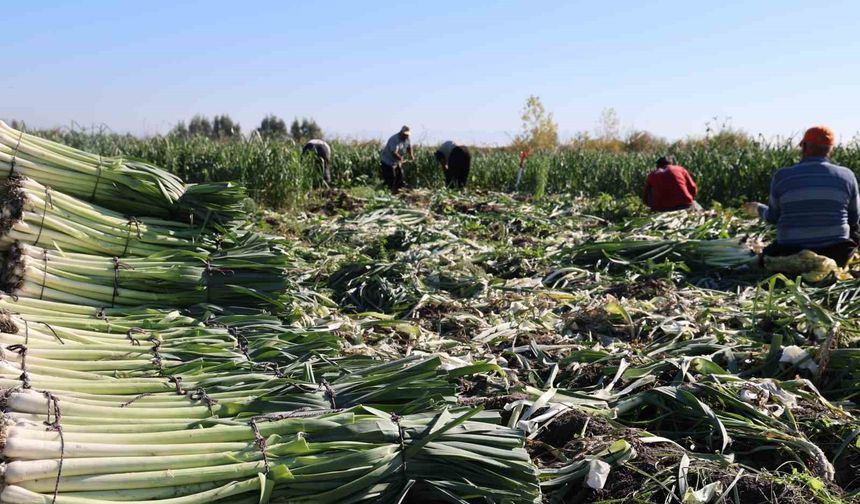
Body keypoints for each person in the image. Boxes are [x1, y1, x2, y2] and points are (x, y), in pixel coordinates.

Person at [744, 126, 860, 267]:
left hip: (790, 251)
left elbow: (773, 218)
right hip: (837, 252)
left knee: (768, 254)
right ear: (830, 149)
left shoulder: (782, 176)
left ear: (804, 147)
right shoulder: (847, 176)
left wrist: (759, 209)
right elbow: (854, 218)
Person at [379, 126, 414, 193]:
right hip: (388, 161)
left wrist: (411, 156)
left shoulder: (407, 139)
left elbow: (409, 147)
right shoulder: (394, 139)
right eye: (405, 135)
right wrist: (400, 158)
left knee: (400, 176)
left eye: (407, 135)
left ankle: (399, 191)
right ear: (401, 132)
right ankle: (389, 192)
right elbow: (394, 153)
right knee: (392, 177)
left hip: (396, 162)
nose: (406, 136)